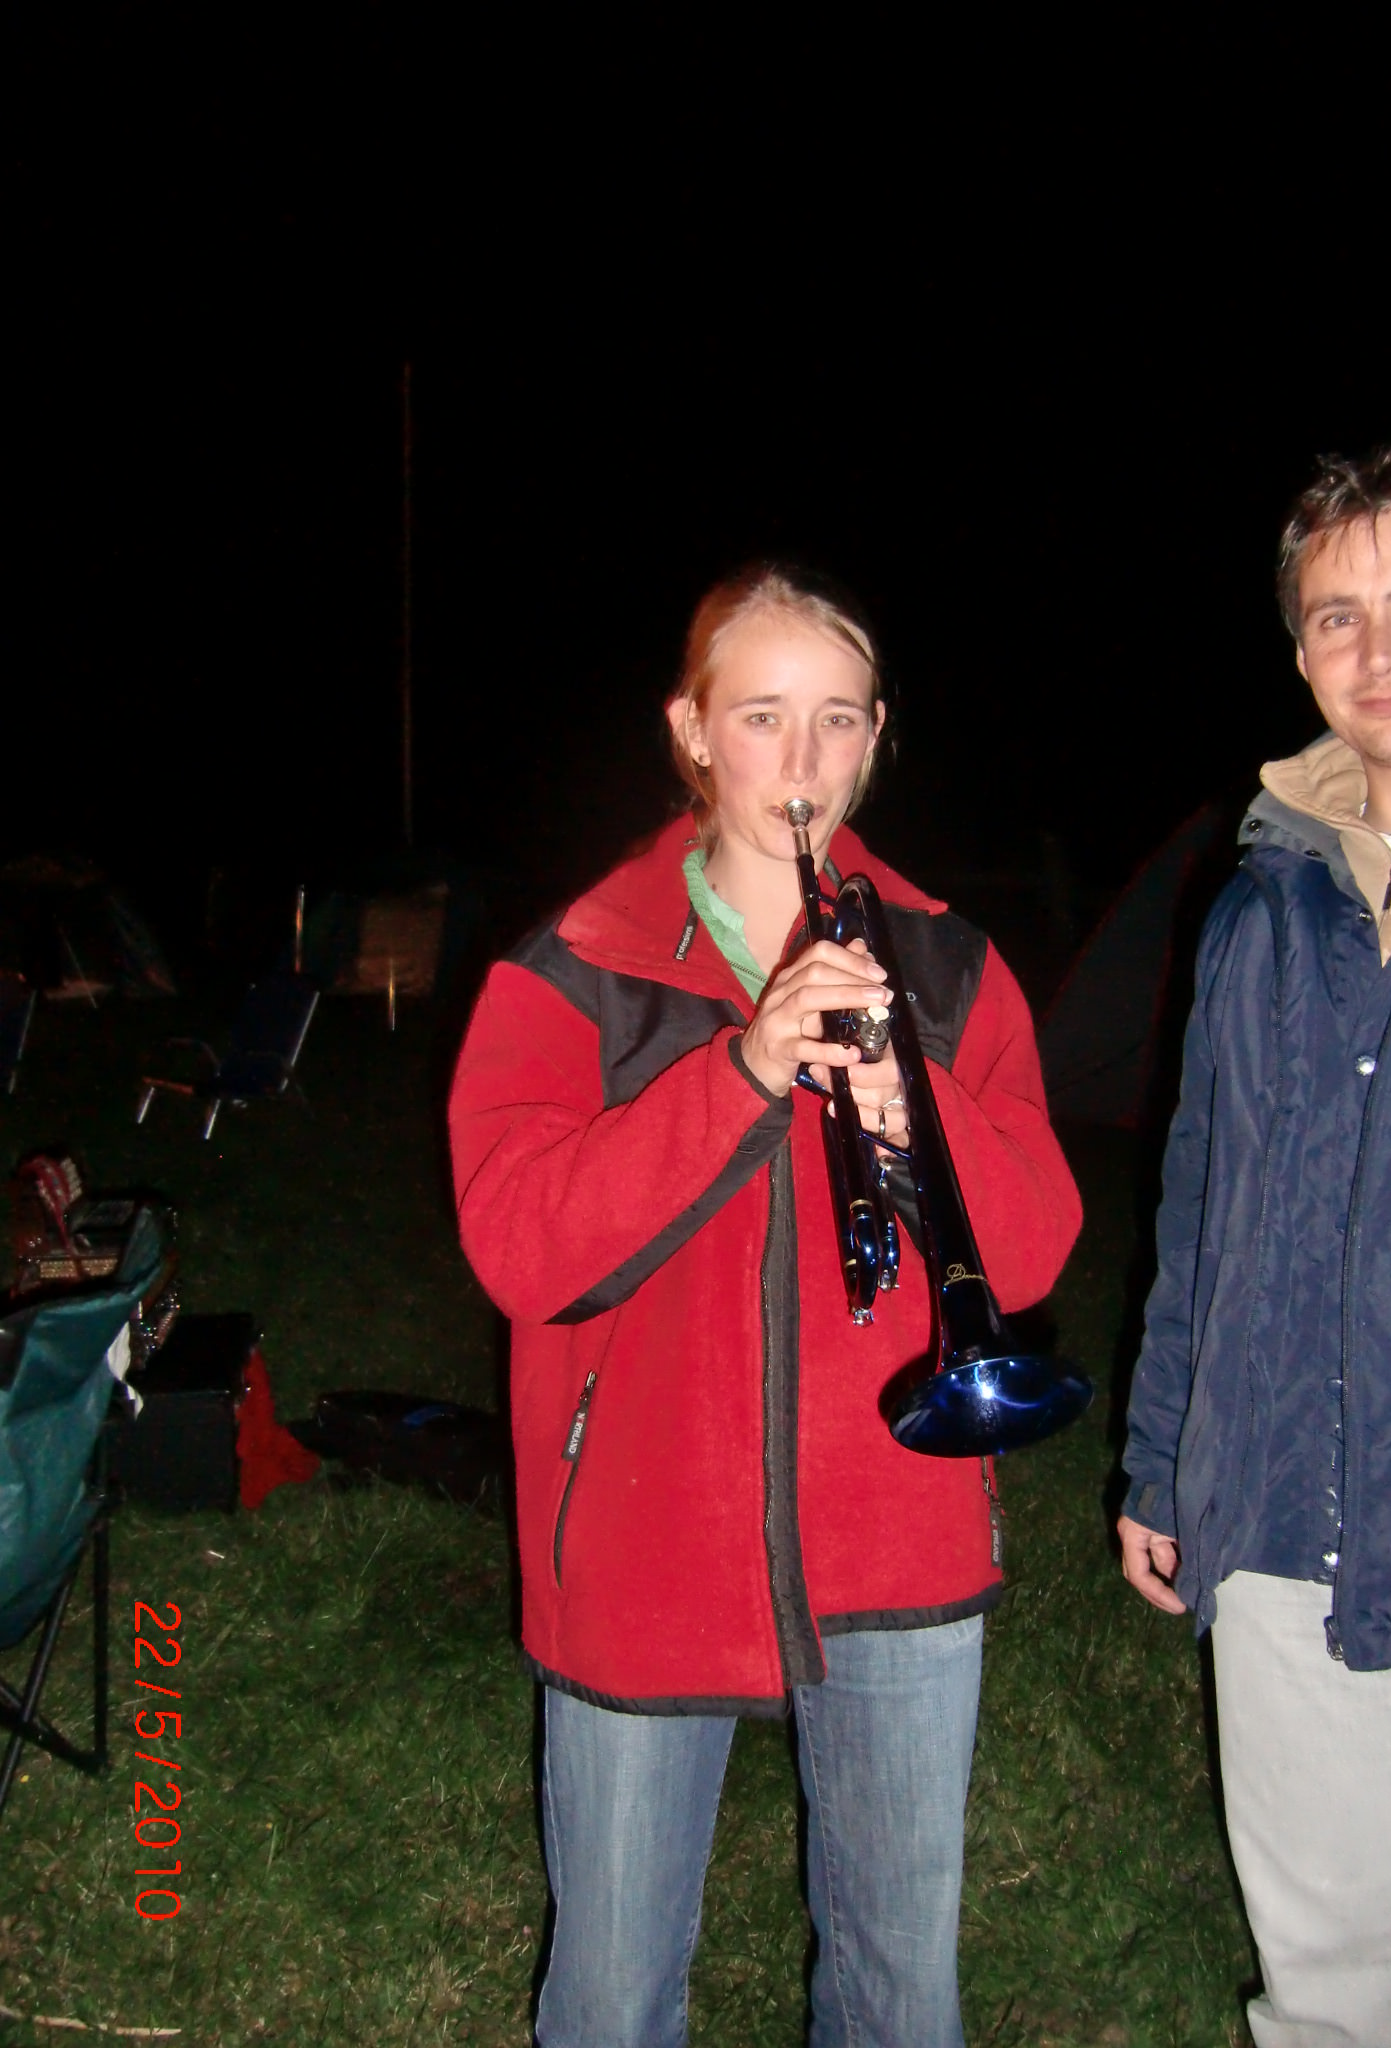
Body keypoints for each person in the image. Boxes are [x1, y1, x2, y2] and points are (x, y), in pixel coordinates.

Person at [449, 566, 1082, 2047]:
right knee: (611, 1997)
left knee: (900, 1994)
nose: (803, 762)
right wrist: (739, 1073)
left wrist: (913, 1101)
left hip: (899, 1521)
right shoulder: (571, 970)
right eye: (761, 717)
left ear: (876, 737)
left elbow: (1036, 1248)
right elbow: (523, 1252)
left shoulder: (948, 962)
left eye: (838, 720)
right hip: (643, 1536)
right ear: (691, 730)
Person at [1118, 438, 1391, 2047]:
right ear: (1300, 651)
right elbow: (1203, 1197)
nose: (1379, 648)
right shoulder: (1262, 903)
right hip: (1287, 1525)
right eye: (1336, 615)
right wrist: (1169, 1459)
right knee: (1331, 2006)